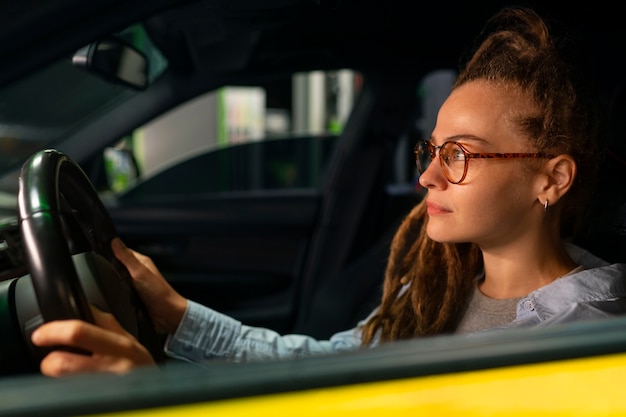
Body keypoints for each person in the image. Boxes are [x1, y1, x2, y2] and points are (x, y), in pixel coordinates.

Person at [30, 6, 626, 376]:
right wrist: (177, 314)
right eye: (432, 149)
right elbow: (329, 366)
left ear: (552, 178)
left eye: (459, 154)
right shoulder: (440, 283)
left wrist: (148, 398)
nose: (427, 177)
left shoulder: (581, 340)